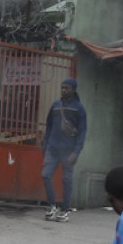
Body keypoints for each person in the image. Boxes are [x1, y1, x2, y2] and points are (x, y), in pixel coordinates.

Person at [41, 77, 88, 223]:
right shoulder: (55, 105)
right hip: (53, 149)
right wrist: (46, 144)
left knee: (66, 180)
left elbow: (82, 132)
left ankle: (65, 210)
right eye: (62, 87)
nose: (64, 90)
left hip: (69, 151)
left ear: (73, 90)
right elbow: (48, 125)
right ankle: (52, 205)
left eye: (67, 88)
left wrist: (76, 152)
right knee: (45, 175)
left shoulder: (79, 108)